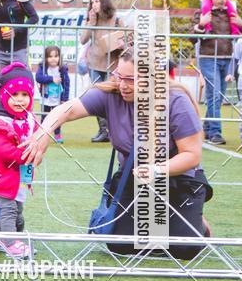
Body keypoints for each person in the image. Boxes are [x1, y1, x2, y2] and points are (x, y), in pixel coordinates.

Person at [21, 49, 213, 260]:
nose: (122, 84)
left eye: (131, 79)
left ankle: (196, 222)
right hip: (134, 178)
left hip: (178, 179)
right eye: (119, 76)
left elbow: (191, 155)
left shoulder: (176, 101)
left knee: (184, 248)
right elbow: (65, 109)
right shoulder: (110, 94)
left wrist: (156, 169)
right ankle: (164, 222)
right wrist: (44, 132)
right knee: (121, 245)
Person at [0, 62, 39, 257]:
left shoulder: (28, 119)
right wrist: (25, 155)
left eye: (25, 95)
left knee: (17, 208)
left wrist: (38, 149)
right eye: (13, 95)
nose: (19, 100)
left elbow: (38, 136)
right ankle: (11, 242)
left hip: (16, 175)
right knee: (9, 208)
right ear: (3, 96)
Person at [193, 0, 241, 145]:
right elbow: (191, 38)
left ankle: (206, 127)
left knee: (219, 97)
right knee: (214, 94)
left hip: (227, 58)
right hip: (208, 58)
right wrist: (200, 25)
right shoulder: (202, 12)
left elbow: (237, 35)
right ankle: (215, 132)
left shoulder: (231, 14)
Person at [79, 0, 125, 143]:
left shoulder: (116, 19)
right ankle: (103, 130)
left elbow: (126, 41)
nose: (94, 5)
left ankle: (115, 131)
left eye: (97, 1)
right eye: (92, 2)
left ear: (104, 3)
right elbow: (83, 40)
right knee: (97, 97)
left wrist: (122, 44)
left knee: (114, 98)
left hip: (113, 64)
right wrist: (91, 22)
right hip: (95, 63)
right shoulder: (92, 19)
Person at [35, 45, 70, 144]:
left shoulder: (63, 69)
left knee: (57, 116)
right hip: (46, 98)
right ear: (46, 58)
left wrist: (64, 98)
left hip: (57, 98)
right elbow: (38, 78)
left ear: (59, 57)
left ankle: (57, 134)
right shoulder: (43, 67)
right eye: (50, 56)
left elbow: (66, 84)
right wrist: (51, 79)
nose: (53, 59)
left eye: (56, 56)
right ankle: (42, 133)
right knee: (44, 117)